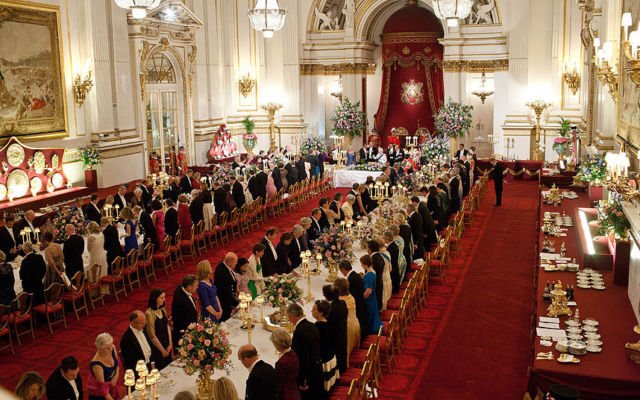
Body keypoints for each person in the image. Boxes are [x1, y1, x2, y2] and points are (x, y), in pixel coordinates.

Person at [287, 303, 323, 400]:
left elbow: (302, 358)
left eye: (289, 317)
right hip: (317, 370)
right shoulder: (312, 325)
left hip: (308, 375)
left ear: (292, 316)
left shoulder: (299, 332)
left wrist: (303, 380)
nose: (289, 320)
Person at [311, 301, 339, 392]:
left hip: (324, 361)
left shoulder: (318, 327)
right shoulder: (328, 323)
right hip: (331, 358)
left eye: (314, 309)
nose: (311, 311)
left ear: (320, 313)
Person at [335, 277, 361, 366]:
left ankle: (345, 367)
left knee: (346, 352)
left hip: (348, 328)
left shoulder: (341, 301)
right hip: (356, 324)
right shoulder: (350, 296)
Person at [338, 261, 367, 340]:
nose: (341, 273)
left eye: (341, 271)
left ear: (343, 269)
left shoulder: (350, 279)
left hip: (358, 305)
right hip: (362, 302)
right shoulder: (356, 275)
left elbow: (352, 296)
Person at [322, 284, 348, 373]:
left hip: (334, 338)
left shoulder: (331, 310)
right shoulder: (342, 303)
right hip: (342, 334)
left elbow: (327, 324)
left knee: (338, 357)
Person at [269, 328, 301, 400]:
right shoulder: (294, 354)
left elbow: (279, 384)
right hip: (294, 392)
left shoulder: (281, 362)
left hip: (285, 395)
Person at [145, 288, 173, 369]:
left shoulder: (162, 309)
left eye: (164, 297)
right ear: (155, 298)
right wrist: (162, 351)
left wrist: (170, 343)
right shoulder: (149, 313)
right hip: (158, 347)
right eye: (161, 298)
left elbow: (167, 326)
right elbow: (152, 336)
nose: (164, 300)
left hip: (166, 344)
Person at [88, 333, 120, 400]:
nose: (111, 349)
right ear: (100, 349)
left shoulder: (112, 348)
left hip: (112, 387)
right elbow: (104, 391)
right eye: (107, 348)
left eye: (111, 345)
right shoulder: (96, 364)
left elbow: (117, 363)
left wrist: (116, 376)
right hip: (100, 395)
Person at [171, 274, 199, 344]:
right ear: (189, 287)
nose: (197, 287)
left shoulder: (181, 288)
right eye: (196, 286)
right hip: (184, 333)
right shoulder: (182, 302)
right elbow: (184, 320)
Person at [360, 255, 383, 335]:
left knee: (370, 316)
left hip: (369, 300)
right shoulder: (372, 271)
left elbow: (368, 291)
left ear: (365, 264)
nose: (361, 265)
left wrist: (361, 299)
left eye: (362, 264)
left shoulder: (369, 275)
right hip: (372, 298)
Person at [214, 252, 240, 322]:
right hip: (224, 301)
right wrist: (238, 304)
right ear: (230, 262)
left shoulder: (225, 266)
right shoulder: (222, 273)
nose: (236, 264)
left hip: (228, 299)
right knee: (225, 319)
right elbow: (226, 292)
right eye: (235, 262)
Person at [366, 240, 385, 312]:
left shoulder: (372, 260)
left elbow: (370, 275)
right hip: (379, 283)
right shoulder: (380, 256)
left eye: (367, 248)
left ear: (370, 249)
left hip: (375, 286)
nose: (366, 250)